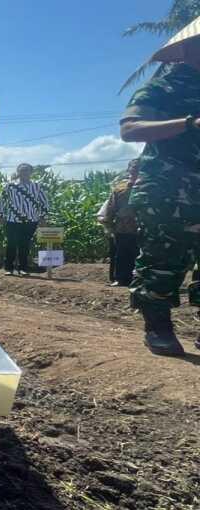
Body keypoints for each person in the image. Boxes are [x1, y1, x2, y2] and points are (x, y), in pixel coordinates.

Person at [119, 17, 200, 355]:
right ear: (189, 48)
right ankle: (159, 327)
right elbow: (130, 129)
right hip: (168, 186)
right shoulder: (164, 86)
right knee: (163, 257)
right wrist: (189, 123)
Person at [0, 163, 50, 276]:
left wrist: (43, 217)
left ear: (31, 172)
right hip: (12, 220)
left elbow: (44, 201)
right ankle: (9, 268)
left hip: (31, 220)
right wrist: (0, 215)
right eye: (22, 170)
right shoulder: (10, 186)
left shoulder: (36, 186)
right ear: (18, 172)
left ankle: (23, 269)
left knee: (24, 245)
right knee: (11, 244)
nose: (24, 173)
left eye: (26, 170)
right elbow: (1, 201)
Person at [96, 158, 141, 287]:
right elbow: (111, 207)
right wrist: (108, 225)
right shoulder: (120, 189)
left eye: (138, 171)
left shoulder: (150, 188)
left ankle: (139, 280)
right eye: (133, 171)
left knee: (140, 255)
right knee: (121, 255)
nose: (134, 174)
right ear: (129, 171)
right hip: (122, 228)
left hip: (143, 228)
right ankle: (121, 279)